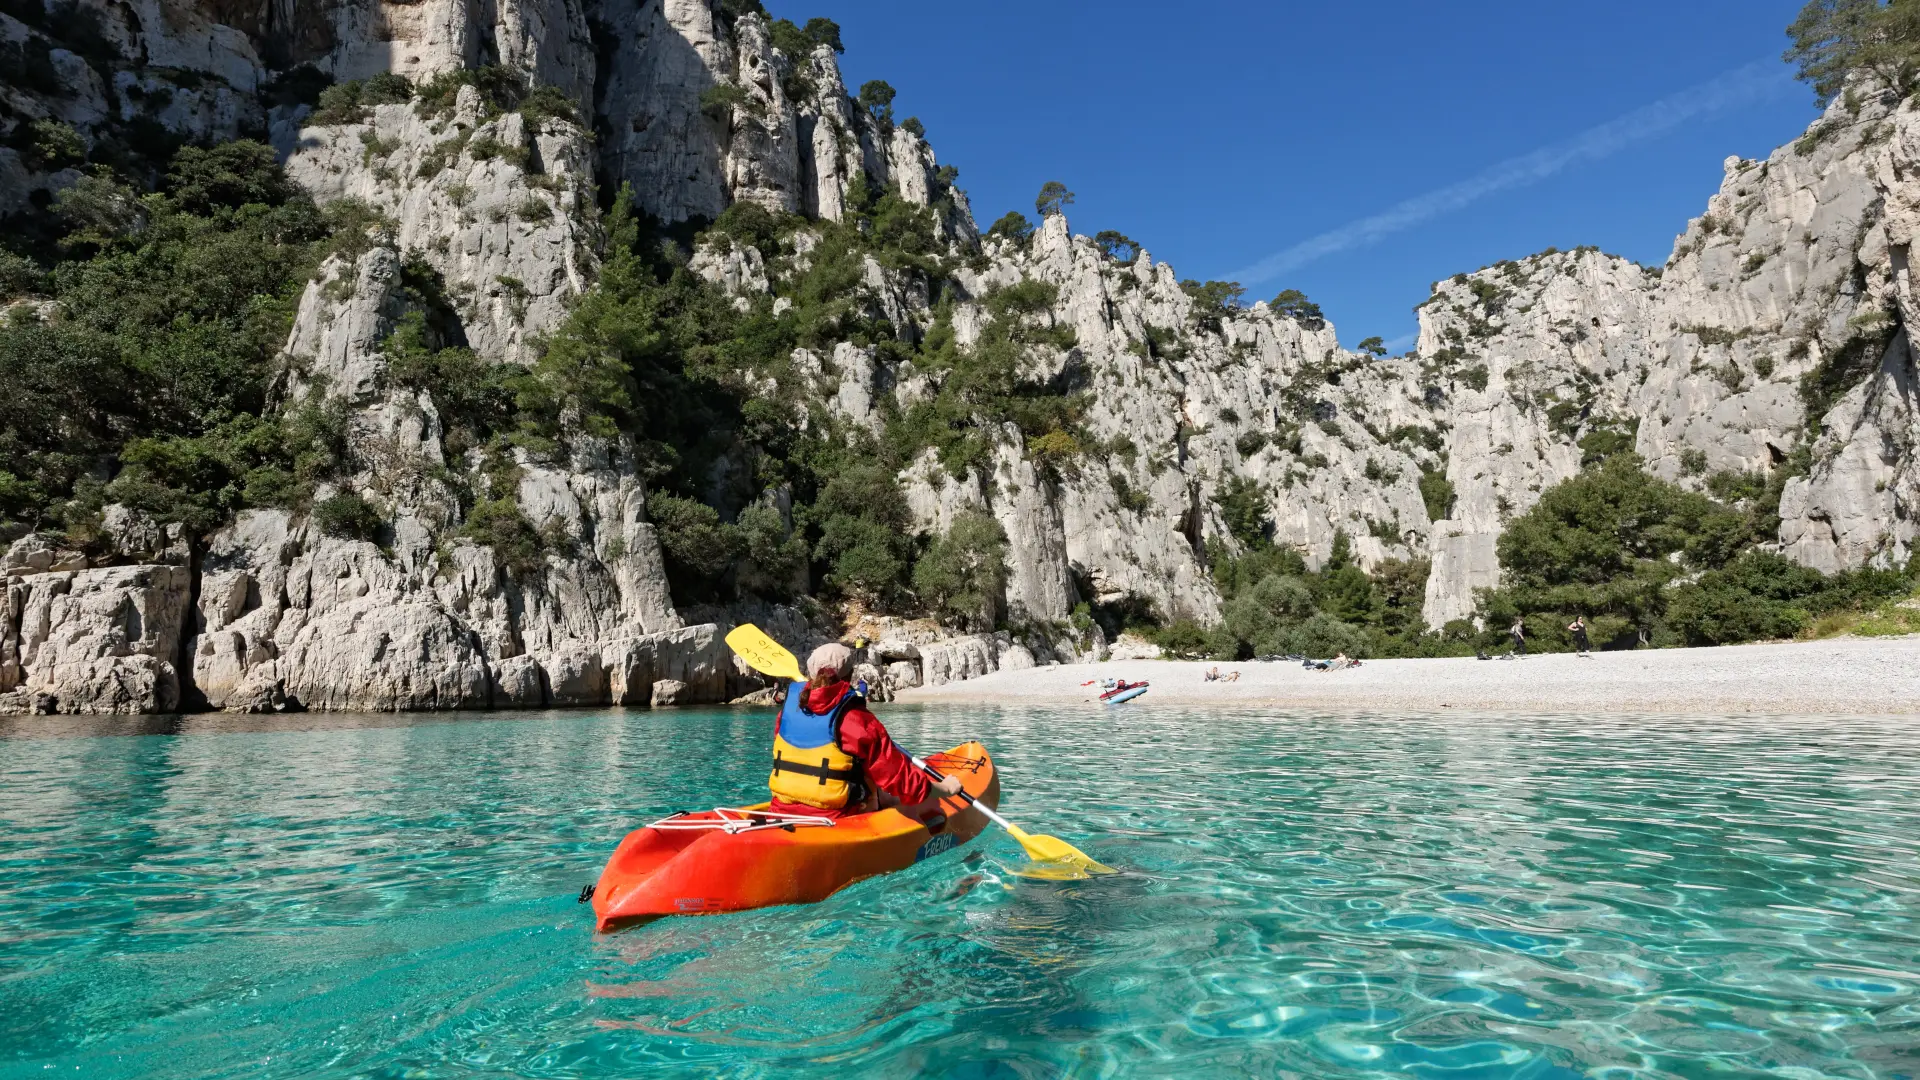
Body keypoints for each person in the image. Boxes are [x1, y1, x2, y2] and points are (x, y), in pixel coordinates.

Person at [768, 643, 961, 821]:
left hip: (781, 810)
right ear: (850, 674)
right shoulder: (857, 720)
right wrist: (944, 789)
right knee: (885, 791)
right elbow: (898, 779)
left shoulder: (787, 711)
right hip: (837, 816)